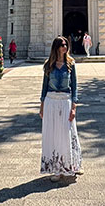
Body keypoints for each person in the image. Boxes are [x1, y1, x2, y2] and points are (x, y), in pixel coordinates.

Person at [39, 36, 82, 181]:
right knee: (53, 135)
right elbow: (44, 87)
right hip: (51, 102)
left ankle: (73, 164)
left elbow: (75, 87)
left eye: (66, 45)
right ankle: (56, 168)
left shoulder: (71, 64)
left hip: (66, 102)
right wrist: (42, 107)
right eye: (62, 45)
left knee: (68, 133)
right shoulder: (48, 65)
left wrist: (74, 107)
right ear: (56, 47)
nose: (65, 47)